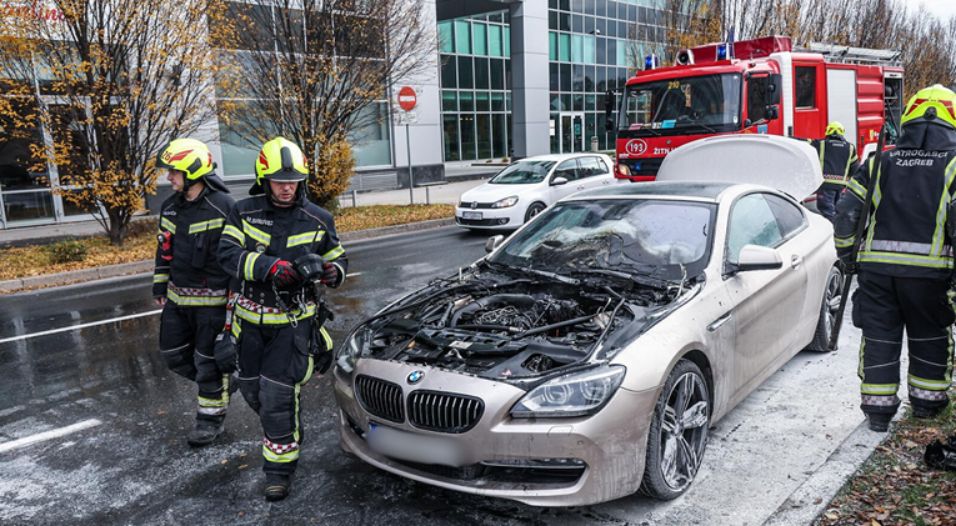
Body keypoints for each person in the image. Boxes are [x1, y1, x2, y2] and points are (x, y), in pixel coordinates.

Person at [218, 136, 347, 500]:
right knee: (252, 391)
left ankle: (278, 471)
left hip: (292, 326)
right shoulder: (242, 211)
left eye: (293, 180)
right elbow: (227, 256)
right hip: (249, 325)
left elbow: (338, 258)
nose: (287, 186)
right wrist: (271, 268)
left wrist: (331, 272)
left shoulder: (319, 218)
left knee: (275, 397)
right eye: (279, 180)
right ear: (264, 178)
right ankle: (287, 426)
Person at [833, 84, 956, 432]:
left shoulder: (879, 162)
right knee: (929, 338)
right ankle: (927, 407)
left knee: (880, 339)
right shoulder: (954, 167)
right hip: (932, 278)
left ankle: (878, 413)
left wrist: (847, 256)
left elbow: (846, 215)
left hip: (876, 274)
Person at [152, 138, 236, 446]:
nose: (168, 177)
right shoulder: (170, 208)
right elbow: (164, 250)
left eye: (173, 172)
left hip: (214, 304)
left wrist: (236, 301)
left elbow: (236, 258)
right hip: (177, 300)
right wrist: (159, 284)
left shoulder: (224, 207)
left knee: (206, 360)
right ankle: (222, 382)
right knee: (173, 355)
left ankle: (209, 419)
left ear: (193, 171)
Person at [810, 121, 858, 221]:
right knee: (837, 208)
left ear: (828, 131)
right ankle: (840, 229)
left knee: (827, 210)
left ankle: (832, 230)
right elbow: (855, 168)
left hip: (825, 185)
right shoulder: (850, 147)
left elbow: (805, 142)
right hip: (841, 186)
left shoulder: (821, 144)